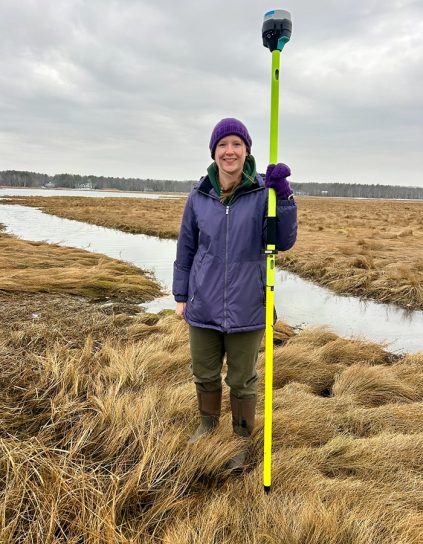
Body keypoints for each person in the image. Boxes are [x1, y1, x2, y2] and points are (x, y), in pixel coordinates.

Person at [173, 118, 297, 470]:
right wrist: (181, 296)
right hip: (204, 303)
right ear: (214, 152)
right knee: (205, 373)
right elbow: (186, 247)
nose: (230, 151)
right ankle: (207, 426)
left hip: (249, 304)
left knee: (242, 379)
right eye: (223, 145)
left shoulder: (264, 193)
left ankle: (242, 439)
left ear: (246, 151)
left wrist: (283, 197)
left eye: (236, 144)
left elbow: (282, 241)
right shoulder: (199, 196)